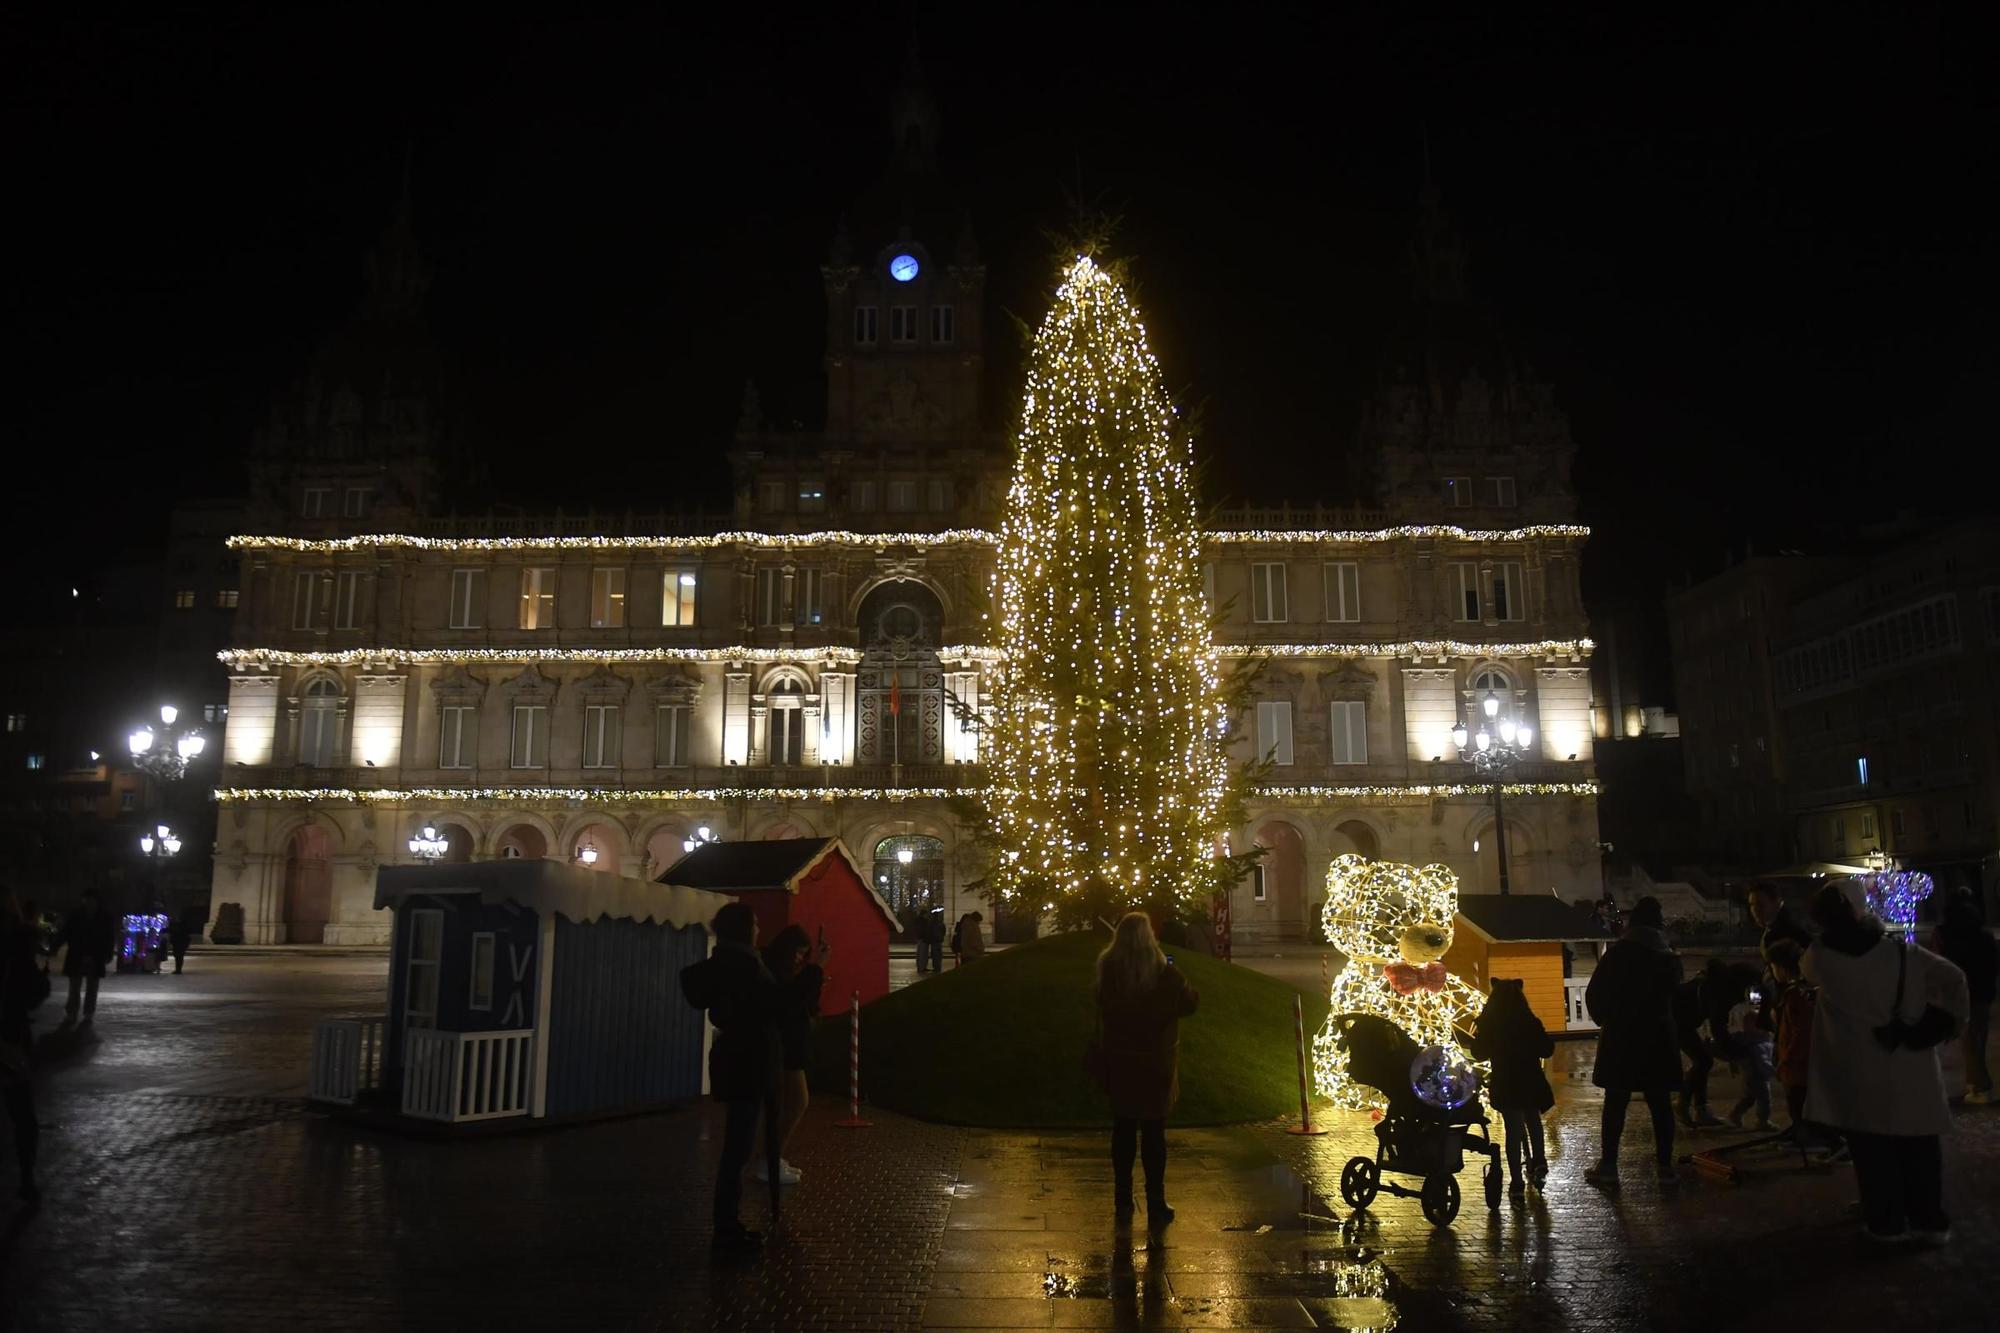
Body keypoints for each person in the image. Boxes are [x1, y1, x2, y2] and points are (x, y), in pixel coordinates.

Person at [1806, 881, 1967, 1244]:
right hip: (1910, 1064)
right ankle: (1928, 1222)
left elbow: (1808, 978)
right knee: (1919, 1150)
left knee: (1873, 1155)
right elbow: (1954, 978)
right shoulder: (1903, 954)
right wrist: (1949, 1021)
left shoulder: (1817, 956)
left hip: (1858, 1073)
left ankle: (1886, 1224)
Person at [678, 901, 783, 1251]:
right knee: (737, 1147)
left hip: (742, 1058)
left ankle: (730, 1224)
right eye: (754, 924)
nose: (758, 929)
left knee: (740, 1143)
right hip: (747, 1060)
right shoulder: (740, 964)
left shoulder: (738, 960)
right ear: (742, 929)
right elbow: (768, 1003)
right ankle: (726, 1229)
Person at [1095, 912, 1198, 1225]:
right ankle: (1156, 1201)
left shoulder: (1110, 970)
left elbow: (1100, 1004)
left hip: (1122, 1059)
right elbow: (1190, 1003)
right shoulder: (1164, 973)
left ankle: (1122, 1198)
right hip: (1156, 1063)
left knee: (1123, 1130)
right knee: (1154, 1134)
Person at [1584, 896, 1684, 1189]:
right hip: (1658, 1037)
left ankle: (1609, 1166)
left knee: (1616, 1102)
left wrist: (1606, 1019)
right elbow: (1678, 998)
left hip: (1622, 1036)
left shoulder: (1617, 955)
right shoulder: (1668, 957)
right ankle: (1665, 1167)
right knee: (1660, 1104)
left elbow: (1595, 993)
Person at [1469, 977, 1554, 1195]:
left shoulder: (1490, 1024)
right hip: (1530, 1079)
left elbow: (1478, 1052)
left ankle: (1516, 1181)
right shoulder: (1529, 1021)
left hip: (1506, 1081)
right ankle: (1540, 1159)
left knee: (1513, 1129)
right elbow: (1547, 1049)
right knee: (1533, 1119)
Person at [756, 923, 826, 1187]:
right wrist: (815, 968)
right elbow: (790, 1000)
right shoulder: (774, 972)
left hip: (790, 1046)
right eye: (797, 952)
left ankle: (772, 1157)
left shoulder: (782, 971)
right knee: (797, 1101)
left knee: (787, 1104)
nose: (798, 958)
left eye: (803, 954)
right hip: (784, 1047)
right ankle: (769, 1159)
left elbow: (805, 1000)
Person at [1932, 888, 1995, 1105]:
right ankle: (1980, 1080)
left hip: (1958, 990)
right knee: (1980, 1034)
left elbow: (1938, 963)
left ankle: (1978, 1080)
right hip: (1983, 991)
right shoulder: (1984, 935)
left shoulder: (1943, 933)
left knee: (1966, 1037)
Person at [1, 889, 42, 1202]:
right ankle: (26, 1176)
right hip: (9, 1036)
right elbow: (32, 994)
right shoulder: (18, 943)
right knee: (22, 1113)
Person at [1766, 940, 1820, 1143]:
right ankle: (1800, 1134)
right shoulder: (1802, 992)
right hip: (1798, 1065)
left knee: (1797, 1105)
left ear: (1780, 966)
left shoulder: (1794, 996)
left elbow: (1801, 1032)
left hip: (1796, 1067)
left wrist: (1786, 1058)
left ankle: (1805, 1139)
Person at [1672, 969, 1724, 1129]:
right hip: (1678, 1023)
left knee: (1703, 1061)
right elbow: (1713, 1019)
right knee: (1703, 1061)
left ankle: (1695, 1107)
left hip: (1681, 1023)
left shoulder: (1700, 986)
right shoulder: (1708, 989)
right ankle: (1686, 1104)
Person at [1722, 977, 1774, 1130]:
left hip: (1745, 1053)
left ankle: (1736, 1115)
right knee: (1762, 1092)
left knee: (1751, 1091)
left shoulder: (1738, 1009)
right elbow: (1753, 1034)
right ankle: (1762, 1121)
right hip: (1753, 1054)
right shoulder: (1753, 1013)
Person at [61, 890, 115, 1024]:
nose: (89, 903)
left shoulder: (103, 916)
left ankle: (87, 1012)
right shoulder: (77, 915)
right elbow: (66, 932)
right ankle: (73, 1012)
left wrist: (108, 953)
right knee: (75, 987)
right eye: (87, 900)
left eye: (91, 900)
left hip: (94, 955)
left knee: (91, 987)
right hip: (78, 954)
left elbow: (109, 937)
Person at [1747, 883, 1811, 962]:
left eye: (1760, 904)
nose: (1754, 910)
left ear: (1777, 903)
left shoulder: (1787, 932)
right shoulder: (1771, 927)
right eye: (1751, 905)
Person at [167, 909, 194, 976]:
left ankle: (178, 969)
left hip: (179, 942)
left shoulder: (180, 925)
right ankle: (178, 969)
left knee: (179, 956)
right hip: (179, 942)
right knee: (178, 956)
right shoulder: (181, 924)